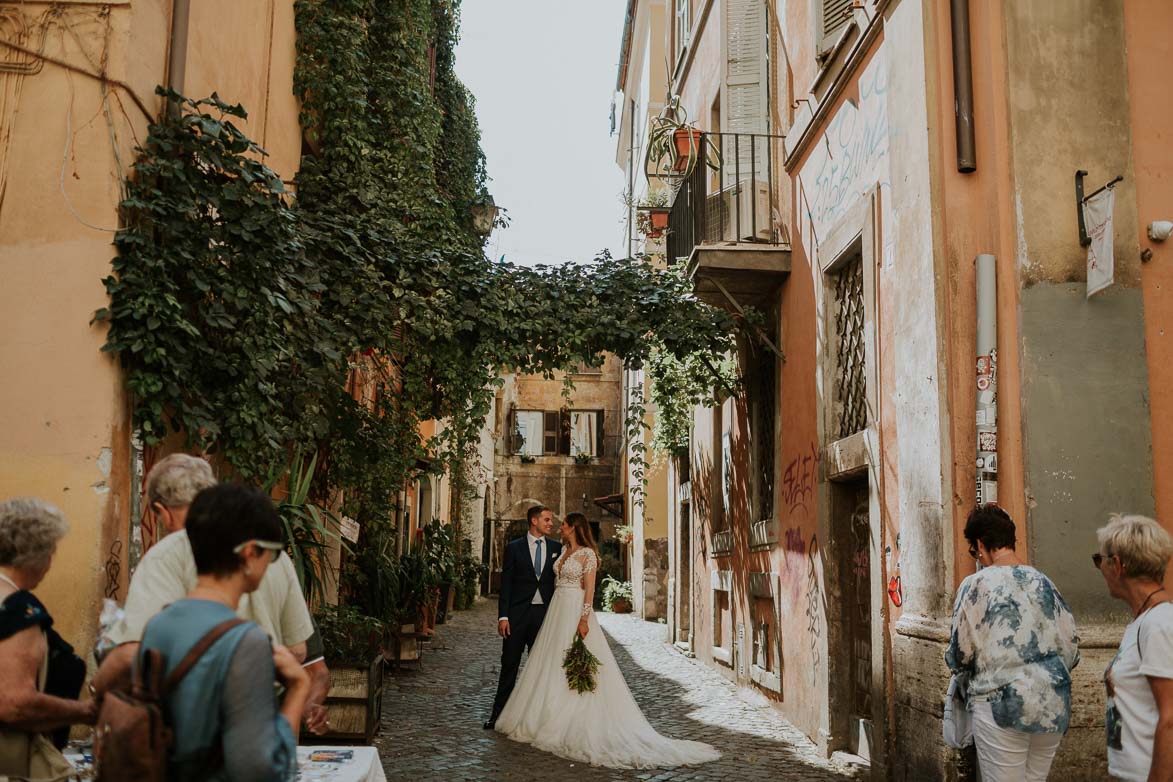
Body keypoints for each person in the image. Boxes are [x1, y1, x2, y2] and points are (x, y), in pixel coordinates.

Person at [94, 454, 316, 717]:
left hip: (192, 716)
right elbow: (297, 650)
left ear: (162, 513)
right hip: (263, 712)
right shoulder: (267, 552)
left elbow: (132, 654)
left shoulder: (168, 554)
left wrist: (98, 692)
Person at [495, 512, 720, 768]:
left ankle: (573, 716)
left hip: (573, 610)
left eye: (564, 524)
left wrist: (583, 619)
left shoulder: (587, 555)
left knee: (573, 658)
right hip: (555, 611)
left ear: (574, 528)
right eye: (553, 522)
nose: (559, 527)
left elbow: (589, 590)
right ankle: (539, 712)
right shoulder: (562, 550)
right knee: (549, 661)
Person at [141, 483, 309, 781]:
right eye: (271, 554)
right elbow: (259, 769)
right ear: (249, 554)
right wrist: (297, 688)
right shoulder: (247, 642)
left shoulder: (158, 626)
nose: (271, 564)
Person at [945, 504, 1080, 782]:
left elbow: (959, 654)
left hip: (1000, 704)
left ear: (981, 544)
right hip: (1051, 705)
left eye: (975, 551)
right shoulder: (1045, 583)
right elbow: (1072, 648)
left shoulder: (977, 584)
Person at [0, 498, 96, 777]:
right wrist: (84, 711)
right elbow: (14, 703)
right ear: (36, 553)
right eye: (52, 550)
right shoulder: (18, 609)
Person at [1096, 513, 1173, 782]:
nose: (1100, 569)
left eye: (1100, 560)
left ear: (1117, 564)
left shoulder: (1159, 625)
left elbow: (1171, 718)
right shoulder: (1145, 621)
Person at [484, 505, 561, 730]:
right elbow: (506, 584)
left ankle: (539, 719)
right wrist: (503, 617)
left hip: (544, 617)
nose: (551, 524)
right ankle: (498, 716)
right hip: (517, 616)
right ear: (534, 521)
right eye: (547, 520)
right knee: (509, 665)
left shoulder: (557, 547)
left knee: (542, 668)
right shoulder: (514, 548)